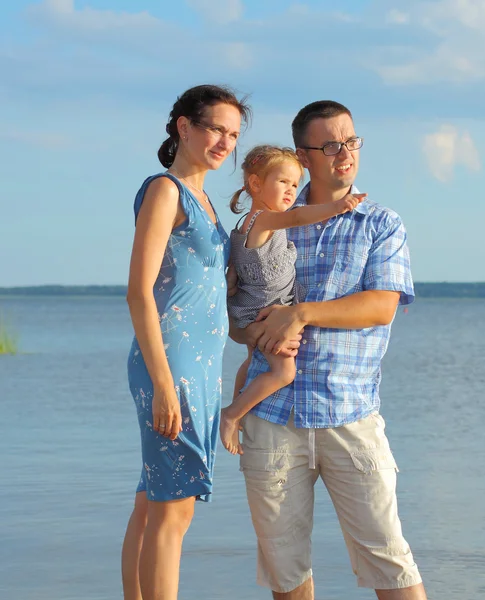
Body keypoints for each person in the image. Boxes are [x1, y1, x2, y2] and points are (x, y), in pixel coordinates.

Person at [229, 101, 428, 600]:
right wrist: (251, 332)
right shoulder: (271, 220)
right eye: (331, 145)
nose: (345, 153)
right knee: (286, 571)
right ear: (304, 155)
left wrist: (300, 313)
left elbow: (381, 307)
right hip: (273, 416)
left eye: (352, 141)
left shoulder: (380, 223)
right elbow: (235, 309)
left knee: (391, 562)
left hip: (351, 415)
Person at [121, 84, 251, 600]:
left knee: (152, 502)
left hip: (197, 365)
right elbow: (138, 292)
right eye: (215, 128)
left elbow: (198, 284)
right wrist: (163, 384)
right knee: (173, 511)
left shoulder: (204, 200)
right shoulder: (166, 190)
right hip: (170, 365)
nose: (225, 142)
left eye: (234, 134)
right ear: (183, 127)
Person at [221, 144, 365, 455]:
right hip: (263, 310)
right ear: (256, 184)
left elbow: (237, 266)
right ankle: (232, 415)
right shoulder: (263, 219)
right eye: (283, 182)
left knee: (252, 362)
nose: (291, 190)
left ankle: (238, 409)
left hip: (253, 306)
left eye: (295, 184)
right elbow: (299, 217)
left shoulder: (246, 224)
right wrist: (338, 207)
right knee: (283, 372)